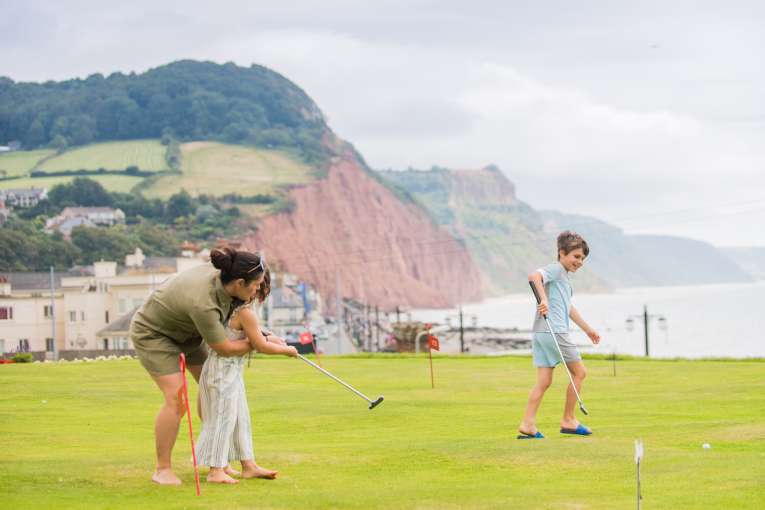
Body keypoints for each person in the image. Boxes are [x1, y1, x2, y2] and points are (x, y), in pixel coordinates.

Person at [129, 247, 286, 485]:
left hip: (190, 333)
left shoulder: (227, 277)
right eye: (255, 285)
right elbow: (224, 348)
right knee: (177, 399)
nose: (256, 291)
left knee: (217, 391)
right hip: (155, 334)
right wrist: (259, 343)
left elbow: (231, 322)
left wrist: (261, 335)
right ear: (240, 283)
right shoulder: (203, 303)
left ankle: (226, 462)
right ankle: (163, 469)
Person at [196, 267, 298, 484]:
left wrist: (272, 338)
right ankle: (216, 470)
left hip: (229, 369)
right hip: (222, 371)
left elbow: (256, 335)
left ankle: (248, 465)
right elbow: (259, 344)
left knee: (240, 417)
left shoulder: (233, 307)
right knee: (223, 418)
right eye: (258, 288)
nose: (258, 293)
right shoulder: (245, 312)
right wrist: (286, 350)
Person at [518, 231, 601, 439]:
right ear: (562, 253)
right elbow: (533, 276)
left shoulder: (563, 278)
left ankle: (528, 424)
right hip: (554, 331)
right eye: (576, 256)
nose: (579, 261)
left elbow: (568, 308)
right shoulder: (556, 269)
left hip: (541, 333)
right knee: (579, 373)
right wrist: (543, 300)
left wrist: (587, 329)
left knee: (544, 381)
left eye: (582, 258)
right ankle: (569, 420)